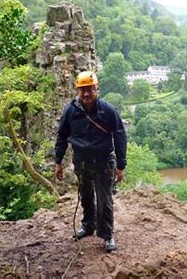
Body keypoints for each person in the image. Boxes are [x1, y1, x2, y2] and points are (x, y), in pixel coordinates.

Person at [54, 71, 127, 253]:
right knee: (85, 195)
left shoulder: (108, 111)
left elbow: (120, 137)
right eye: (82, 90)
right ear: (77, 91)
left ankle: (107, 234)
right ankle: (88, 225)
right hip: (82, 161)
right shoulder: (71, 111)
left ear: (97, 89)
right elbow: (62, 136)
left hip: (103, 162)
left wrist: (121, 166)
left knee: (104, 199)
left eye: (90, 90)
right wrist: (58, 161)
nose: (86, 94)